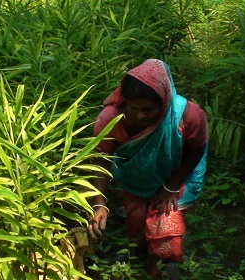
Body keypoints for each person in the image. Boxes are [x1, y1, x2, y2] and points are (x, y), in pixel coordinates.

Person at [88, 58, 208, 277]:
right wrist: (99, 203)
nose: (140, 115)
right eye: (133, 108)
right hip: (135, 176)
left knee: (164, 226)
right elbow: (101, 158)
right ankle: (137, 255)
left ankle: (157, 270)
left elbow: (196, 150)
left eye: (149, 110)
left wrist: (172, 186)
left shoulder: (187, 116)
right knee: (136, 223)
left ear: (164, 102)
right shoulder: (110, 118)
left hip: (178, 174)